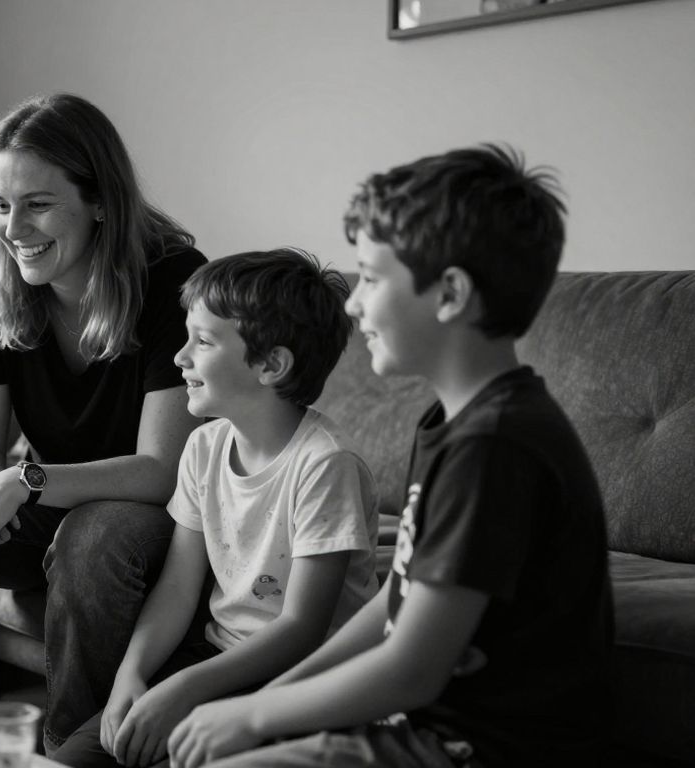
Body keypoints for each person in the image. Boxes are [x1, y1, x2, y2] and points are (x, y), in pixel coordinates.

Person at [167, 144, 614, 768]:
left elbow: (411, 672)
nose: (353, 302)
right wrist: (271, 698)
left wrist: (253, 714)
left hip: (474, 748)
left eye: (372, 279)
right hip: (425, 730)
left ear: (451, 293)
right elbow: (395, 600)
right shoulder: (457, 421)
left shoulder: (495, 447)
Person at [0, 92, 206, 751]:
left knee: (94, 536)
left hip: (146, 513)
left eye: (37, 204)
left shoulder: (173, 279)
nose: (14, 228)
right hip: (43, 497)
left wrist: (25, 480)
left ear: (98, 201)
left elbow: (160, 470)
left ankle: (68, 749)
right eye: (2, 205)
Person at [54, 249, 380, 768]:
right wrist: (130, 677)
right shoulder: (204, 449)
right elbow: (178, 589)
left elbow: (301, 628)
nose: (179, 357)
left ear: (271, 364)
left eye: (202, 341)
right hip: (214, 660)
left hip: (297, 680)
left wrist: (184, 690)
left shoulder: (325, 466)